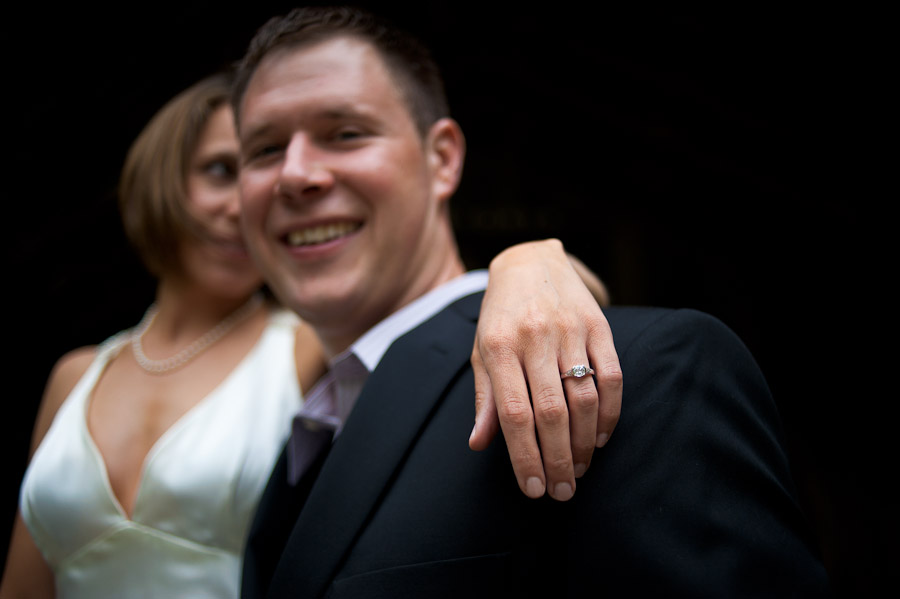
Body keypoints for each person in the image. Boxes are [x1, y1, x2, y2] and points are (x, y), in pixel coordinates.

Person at [233, 6, 831, 598]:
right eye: (263, 150)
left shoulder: (648, 367)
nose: (296, 174)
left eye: (346, 134)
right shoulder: (300, 431)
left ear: (442, 158)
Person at [0, 71, 620, 597]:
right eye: (227, 168)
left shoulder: (309, 343)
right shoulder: (76, 375)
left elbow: (492, 312)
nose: (250, 201)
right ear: (160, 176)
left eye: (255, 171)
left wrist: (529, 261)